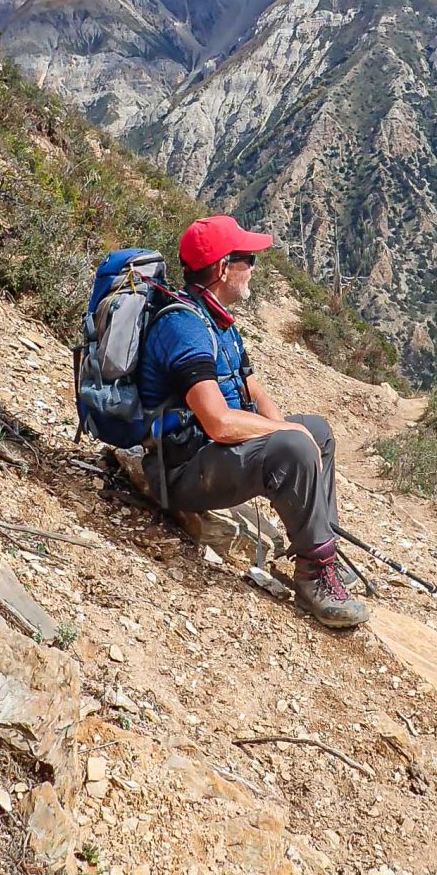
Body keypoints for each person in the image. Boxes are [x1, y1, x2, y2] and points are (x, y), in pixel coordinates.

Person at [135, 215, 369, 629]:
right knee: (295, 441)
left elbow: (255, 392)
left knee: (317, 431)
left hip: (214, 456)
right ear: (224, 268)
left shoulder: (218, 319)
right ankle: (315, 577)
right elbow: (219, 423)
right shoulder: (185, 326)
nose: (254, 267)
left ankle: (320, 543)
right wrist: (288, 436)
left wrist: (292, 430)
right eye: (247, 259)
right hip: (183, 470)